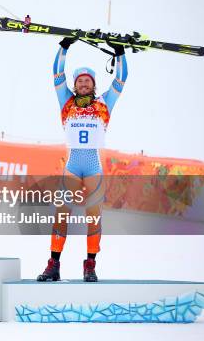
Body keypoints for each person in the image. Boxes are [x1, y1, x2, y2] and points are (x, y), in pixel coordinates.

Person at [37, 37, 128, 282]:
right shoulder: (66, 100)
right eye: (80, 80)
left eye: (88, 80)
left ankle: (90, 265)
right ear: (75, 85)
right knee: (61, 214)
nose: (84, 83)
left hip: (94, 167)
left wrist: (120, 55)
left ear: (93, 84)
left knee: (94, 217)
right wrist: (63, 48)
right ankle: (53, 264)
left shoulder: (104, 103)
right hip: (73, 166)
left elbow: (121, 79)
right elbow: (57, 73)